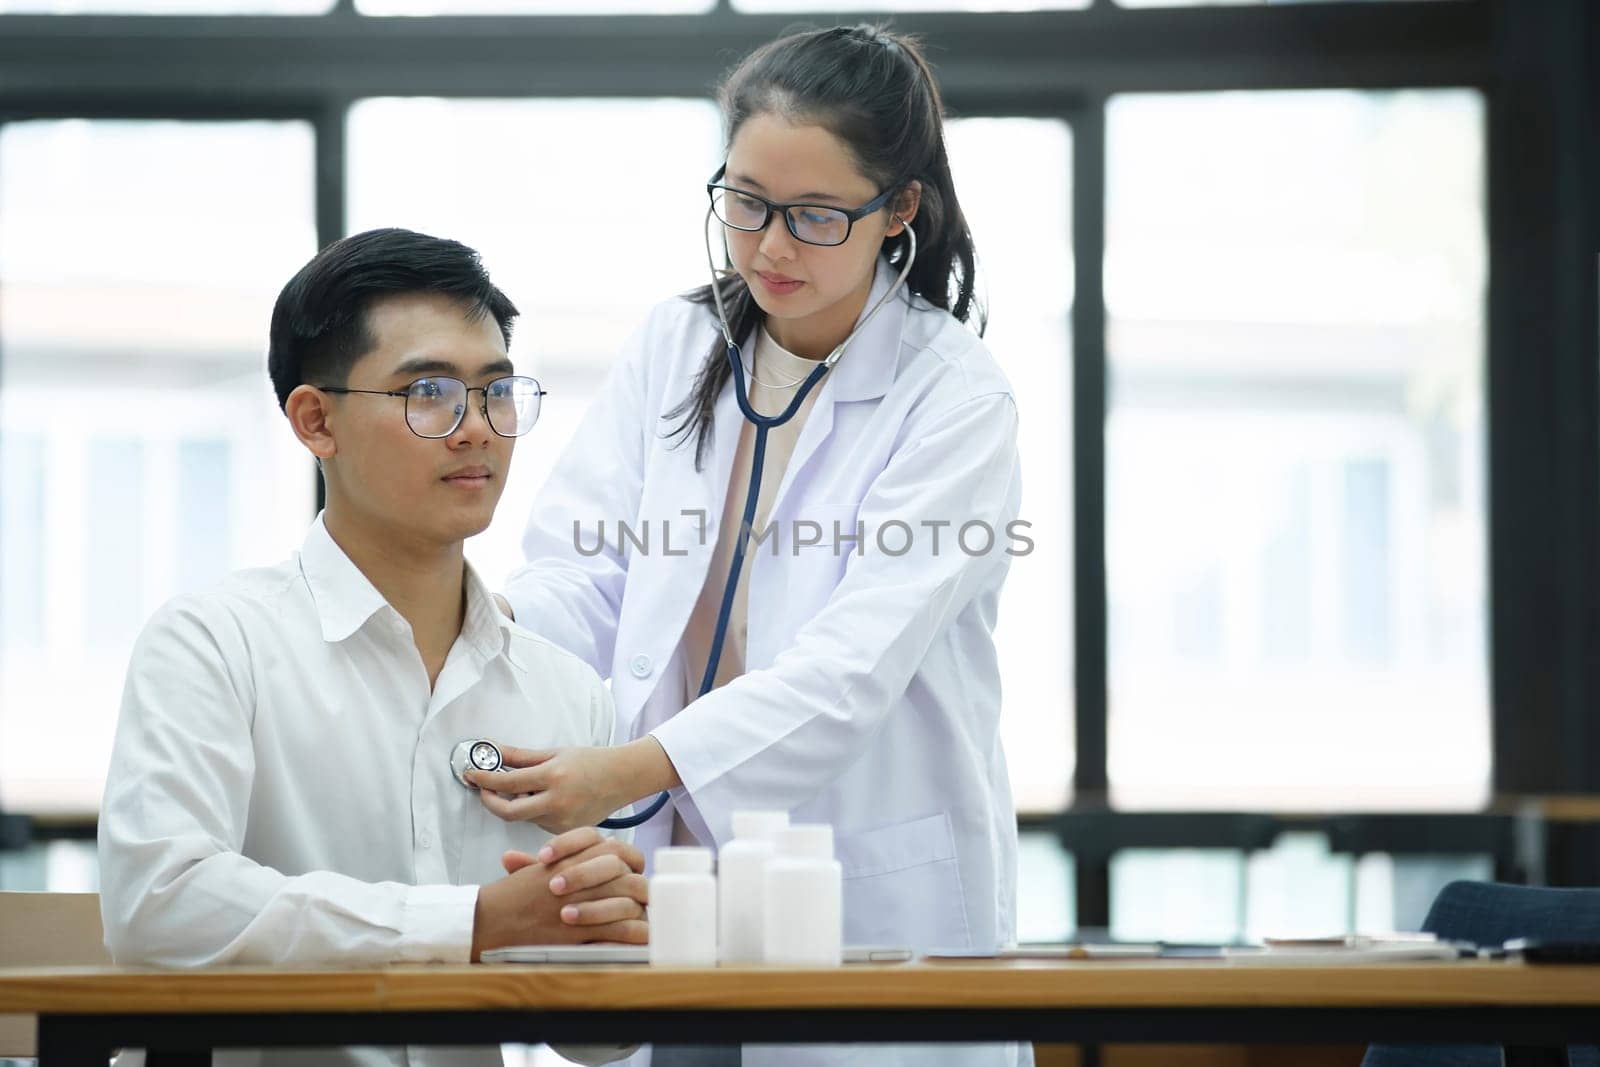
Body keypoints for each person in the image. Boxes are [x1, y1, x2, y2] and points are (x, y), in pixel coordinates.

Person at [488, 26, 1028, 1067]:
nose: (770, 247)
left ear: (898, 211)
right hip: (665, 874)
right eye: (744, 202)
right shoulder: (676, 343)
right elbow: (584, 567)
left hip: (858, 878)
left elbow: (849, 667)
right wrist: (482, 630)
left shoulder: (952, 394)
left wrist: (627, 767)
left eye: (816, 216)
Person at [98, 227, 644, 1067]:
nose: (476, 430)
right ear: (316, 421)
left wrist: (611, 939)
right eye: (428, 392)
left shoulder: (566, 690)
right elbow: (158, 905)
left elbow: (596, 1043)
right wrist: (475, 923)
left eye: (496, 392)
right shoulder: (212, 643)